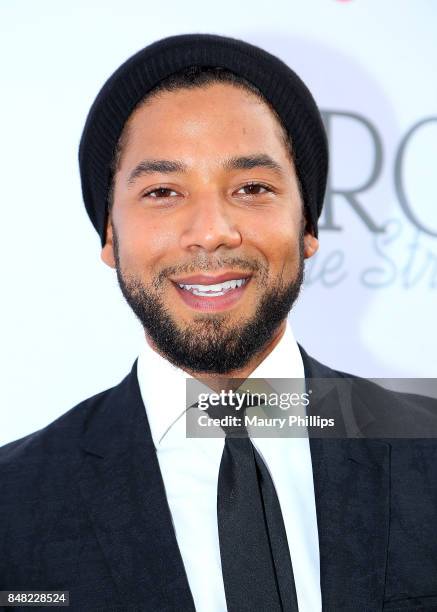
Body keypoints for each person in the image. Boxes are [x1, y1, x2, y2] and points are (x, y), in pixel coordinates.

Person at [1, 33, 437, 612]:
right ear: (109, 234)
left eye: (252, 188)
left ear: (308, 223)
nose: (211, 230)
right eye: (162, 191)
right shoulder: (14, 502)